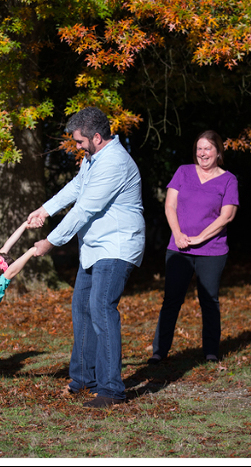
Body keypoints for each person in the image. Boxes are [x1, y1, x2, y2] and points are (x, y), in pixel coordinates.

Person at [27, 107, 145, 409]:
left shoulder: (115, 163)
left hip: (117, 246)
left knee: (101, 307)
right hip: (94, 247)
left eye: (80, 141)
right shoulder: (94, 159)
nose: (77, 147)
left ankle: (111, 390)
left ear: (96, 136)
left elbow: (84, 209)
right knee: (81, 307)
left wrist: (50, 242)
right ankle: (83, 380)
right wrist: (45, 209)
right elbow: (76, 188)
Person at [148, 130, 239, 365]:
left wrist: (199, 238)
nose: (202, 153)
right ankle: (159, 352)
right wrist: (178, 234)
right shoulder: (183, 172)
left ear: (218, 152)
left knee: (209, 300)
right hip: (179, 248)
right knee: (172, 300)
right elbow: (170, 206)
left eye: (208, 148)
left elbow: (227, 216)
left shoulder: (229, 179)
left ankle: (210, 351)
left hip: (213, 250)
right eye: (199, 148)